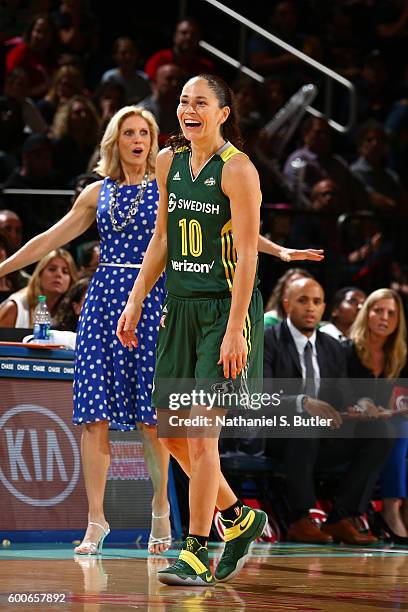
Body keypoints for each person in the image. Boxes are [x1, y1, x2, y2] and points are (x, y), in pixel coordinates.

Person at [117, 73, 324, 586]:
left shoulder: (239, 171)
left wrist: (236, 329)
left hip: (225, 311)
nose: (189, 109)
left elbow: (249, 252)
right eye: (184, 101)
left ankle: (195, 548)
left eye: (201, 102)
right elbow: (163, 238)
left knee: (201, 433)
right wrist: (137, 299)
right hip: (179, 309)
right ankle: (240, 518)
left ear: (223, 113)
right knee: (172, 435)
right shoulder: (167, 162)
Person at [0, 105, 172, 556]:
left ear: (153, 142)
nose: (138, 140)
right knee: (93, 416)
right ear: (115, 142)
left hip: (152, 299)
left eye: (145, 133)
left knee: (150, 420)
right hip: (102, 303)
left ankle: (160, 512)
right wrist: (3, 266)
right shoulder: (99, 192)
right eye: (129, 133)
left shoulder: (170, 188)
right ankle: (96, 521)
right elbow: (49, 240)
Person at [263, 277, 393, 545]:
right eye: (303, 301)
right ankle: (300, 518)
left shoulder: (332, 346)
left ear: (324, 308)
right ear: (287, 305)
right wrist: (302, 402)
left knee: (380, 431)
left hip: (320, 438)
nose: (311, 308)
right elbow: (260, 396)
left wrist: (361, 406)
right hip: (275, 435)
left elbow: (344, 394)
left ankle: (341, 516)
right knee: (305, 421)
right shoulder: (268, 340)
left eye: (317, 302)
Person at [345, 288, 408, 543]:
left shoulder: (400, 355)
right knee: (398, 429)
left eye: (391, 313)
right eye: (378, 310)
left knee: (400, 426)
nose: (384, 318)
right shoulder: (347, 349)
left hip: (387, 425)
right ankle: (391, 509)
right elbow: (339, 393)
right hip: (351, 426)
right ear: (366, 313)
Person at [0, 248, 78, 327]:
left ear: (71, 280)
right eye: (52, 269)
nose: (58, 275)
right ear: (39, 275)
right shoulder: (15, 307)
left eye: (65, 272)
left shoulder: (71, 311)